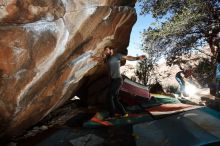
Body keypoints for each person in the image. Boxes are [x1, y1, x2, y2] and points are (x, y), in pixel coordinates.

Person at [103, 46, 146, 118]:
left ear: (111, 50)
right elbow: (103, 60)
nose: (105, 51)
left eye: (107, 50)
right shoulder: (108, 59)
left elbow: (128, 57)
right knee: (115, 98)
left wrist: (137, 58)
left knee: (109, 96)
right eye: (105, 50)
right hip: (114, 80)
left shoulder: (117, 56)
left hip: (117, 80)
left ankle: (112, 115)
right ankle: (124, 113)